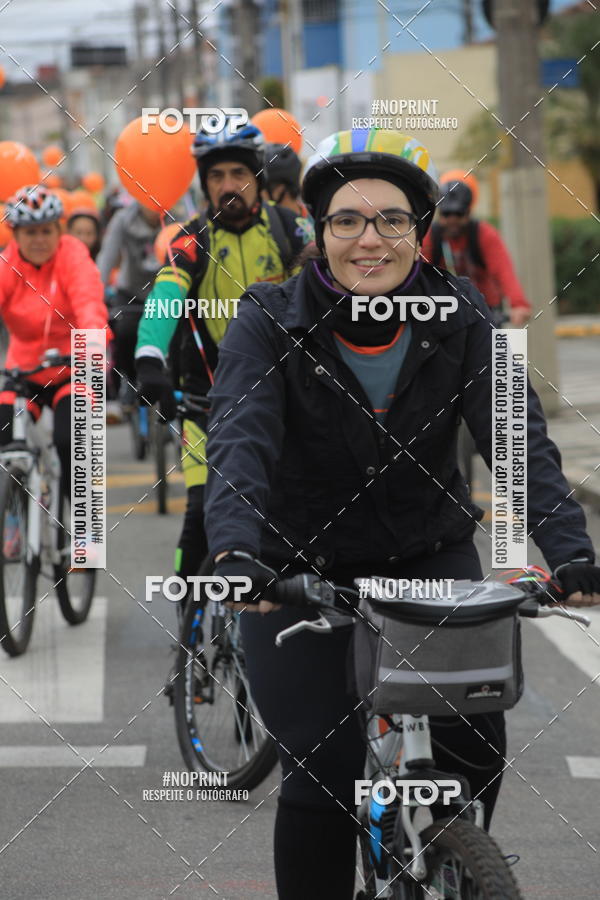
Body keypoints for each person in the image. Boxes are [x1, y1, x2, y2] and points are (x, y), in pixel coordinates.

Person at [201, 129, 600, 900]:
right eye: (346, 219)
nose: (369, 239)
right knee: (320, 776)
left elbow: (516, 440)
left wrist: (569, 549)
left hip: (426, 557)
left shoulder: (462, 316)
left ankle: (446, 862)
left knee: (474, 748)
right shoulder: (268, 321)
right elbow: (239, 440)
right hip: (297, 572)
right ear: (317, 231)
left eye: (392, 219)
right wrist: (235, 554)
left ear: (421, 230)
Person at [135, 124, 314, 632]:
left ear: (257, 176)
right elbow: (167, 295)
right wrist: (149, 356)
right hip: (208, 404)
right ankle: (189, 632)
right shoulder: (192, 239)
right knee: (199, 520)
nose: (228, 183)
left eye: (239, 172)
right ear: (204, 183)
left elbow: (327, 289)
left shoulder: (292, 230)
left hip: (284, 401)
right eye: (216, 175)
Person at [0, 185, 109, 507]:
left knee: (70, 440)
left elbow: (89, 304)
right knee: (5, 435)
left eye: (46, 231)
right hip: (25, 370)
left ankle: (80, 528)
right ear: (15, 235)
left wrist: (92, 350)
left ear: (59, 229)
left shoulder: (73, 255)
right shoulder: (7, 263)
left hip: (72, 366)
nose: (39, 240)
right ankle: (17, 511)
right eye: (29, 232)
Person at [421, 177, 532, 327]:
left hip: (486, 311)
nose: (452, 220)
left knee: (501, 350)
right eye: (447, 214)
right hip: (443, 311)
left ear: (468, 212)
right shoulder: (430, 237)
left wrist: (518, 304)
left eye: (459, 214)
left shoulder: (484, 234)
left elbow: (503, 271)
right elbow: (418, 274)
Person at [96, 199, 161, 410]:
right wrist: (95, 292)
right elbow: (107, 258)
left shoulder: (176, 220)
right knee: (124, 332)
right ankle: (129, 378)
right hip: (130, 292)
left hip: (165, 293)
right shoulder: (123, 220)